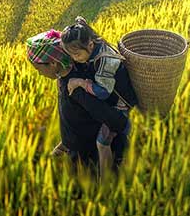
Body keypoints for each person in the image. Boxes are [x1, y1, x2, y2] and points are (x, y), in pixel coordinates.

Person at [26, 29, 131, 169]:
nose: (39, 74)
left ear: (53, 63)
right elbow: (72, 118)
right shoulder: (63, 80)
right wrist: (64, 143)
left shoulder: (76, 89)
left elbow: (106, 114)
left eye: (38, 69)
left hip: (85, 157)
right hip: (73, 146)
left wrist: (124, 126)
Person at [61, 17, 137, 175]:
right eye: (71, 55)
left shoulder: (105, 61)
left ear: (90, 45)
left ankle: (105, 181)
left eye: (77, 55)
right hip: (108, 97)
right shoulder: (91, 45)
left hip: (119, 105)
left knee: (102, 143)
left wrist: (81, 83)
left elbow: (103, 93)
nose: (75, 59)